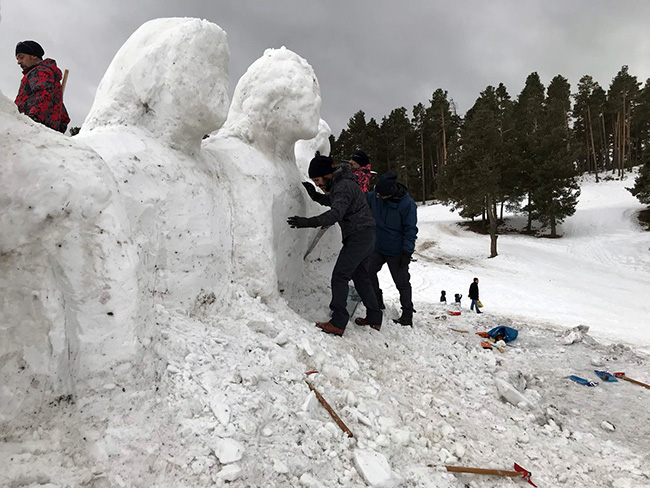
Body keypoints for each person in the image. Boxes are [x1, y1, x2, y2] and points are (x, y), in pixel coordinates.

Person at [287, 153, 382, 336]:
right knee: (361, 277)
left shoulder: (343, 186)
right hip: (366, 234)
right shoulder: (342, 183)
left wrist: (307, 222)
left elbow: (335, 213)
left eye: (317, 180)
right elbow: (332, 201)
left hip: (359, 236)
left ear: (327, 174)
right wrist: (314, 194)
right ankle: (374, 317)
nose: (317, 183)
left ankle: (338, 322)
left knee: (340, 275)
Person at [365, 171, 418, 326]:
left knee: (402, 283)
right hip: (378, 247)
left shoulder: (407, 205)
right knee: (368, 271)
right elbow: (359, 198)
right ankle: (377, 300)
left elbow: (410, 230)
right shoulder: (376, 196)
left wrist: (407, 251)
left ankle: (407, 314)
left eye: (381, 196)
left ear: (390, 193)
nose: (377, 198)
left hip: (397, 252)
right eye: (377, 194)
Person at [14, 40, 69, 133]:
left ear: (34, 56)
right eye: (17, 59)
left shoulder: (39, 72)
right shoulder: (45, 73)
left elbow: (42, 96)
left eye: (21, 57)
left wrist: (32, 121)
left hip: (32, 129)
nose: (19, 62)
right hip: (42, 130)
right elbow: (61, 112)